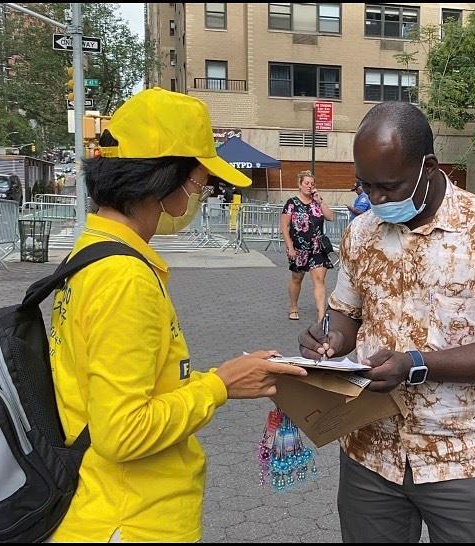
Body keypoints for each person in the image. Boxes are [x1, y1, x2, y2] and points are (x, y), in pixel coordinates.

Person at [48, 88, 307, 543]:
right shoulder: (123, 278)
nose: (199, 196)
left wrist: (228, 376)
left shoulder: (93, 252)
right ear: (166, 181)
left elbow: (126, 387)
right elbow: (123, 433)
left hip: (106, 504)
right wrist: (220, 385)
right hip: (131, 520)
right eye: (200, 182)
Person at [299, 102, 475, 543]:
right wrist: (330, 341)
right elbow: (348, 312)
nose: (376, 200)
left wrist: (416, 364)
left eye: (389, 187)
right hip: (369, 452)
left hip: (463, 457)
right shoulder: (361, 232)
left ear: (428, 167)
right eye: (365, 186)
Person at [280, 170, 334, 322]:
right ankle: (293, 306)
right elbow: (284, 226)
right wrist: (289, 247)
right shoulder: (292, 203)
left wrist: (320, 200)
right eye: (306, 183)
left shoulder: (317, 202)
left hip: (317, 248)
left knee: (319, 279)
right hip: (298, 248)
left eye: (312, 183)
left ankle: (321, 315)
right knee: (297, 278)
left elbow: (330, 216)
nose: (310, 186)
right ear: (300, 185)